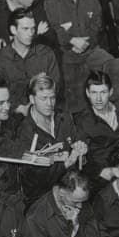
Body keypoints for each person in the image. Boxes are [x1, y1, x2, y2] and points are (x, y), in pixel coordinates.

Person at [15, 73, 88, 207]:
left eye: (52, 98)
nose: (49, 104)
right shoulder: (24, 131)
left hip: (71, 189)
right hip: (42, 197)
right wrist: (66, 163)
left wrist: (81, 152)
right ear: (32, 99)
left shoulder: (64, 118)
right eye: (43, 99)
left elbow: (80, 159)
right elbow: (31, 178)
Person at [72, 69, 119, 181]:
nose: (98, 99)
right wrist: (99, 171)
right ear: (87, 93)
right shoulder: (82, 121)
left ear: (111, 92)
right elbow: (82, 161)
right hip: (105, 178)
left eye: (103, 92)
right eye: (94, 93)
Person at [0, 8, 60, 114]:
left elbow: (55, 86)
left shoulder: (46, 54)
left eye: (32, 29)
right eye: (25, 29)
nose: (30, 33)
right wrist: (18, 108)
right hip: (11, 116)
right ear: (13, 30)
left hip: (43, 113)